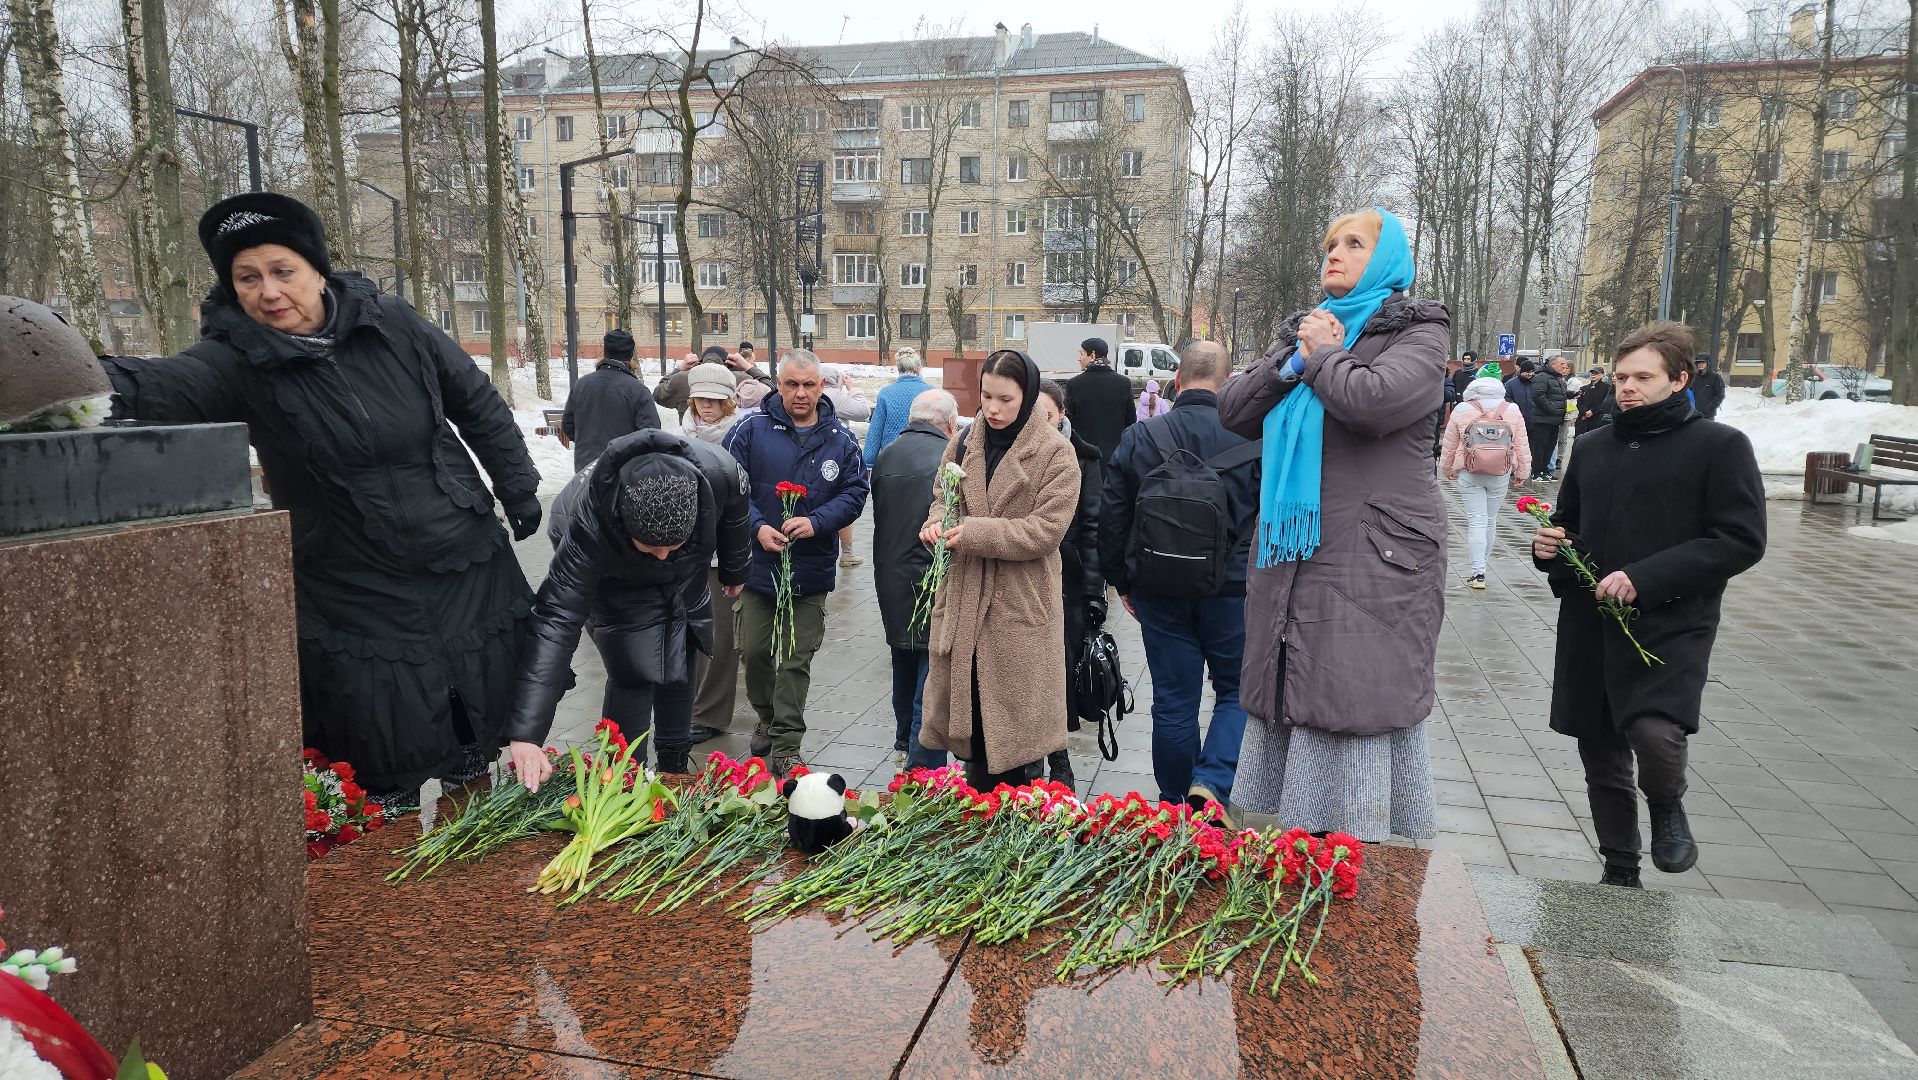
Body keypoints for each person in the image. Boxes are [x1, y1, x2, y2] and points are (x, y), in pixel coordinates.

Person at [99, 192, 541, 806]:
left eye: (283, 271)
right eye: (247, 278)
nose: (269, 292)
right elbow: (165, 386)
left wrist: (517, 485)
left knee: (473, 718)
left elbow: (475, 400)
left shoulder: (393, 323)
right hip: (350, 581)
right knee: (381, 741)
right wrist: (76, 381)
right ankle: (386, 841)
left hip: (461, 555)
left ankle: (473, 828)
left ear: (318, 270)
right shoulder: (234, 359)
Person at [1217, 206, 1443, 843]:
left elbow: (1375, 402)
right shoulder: (1308, 328)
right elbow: (1232, 409)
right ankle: (1302, 852)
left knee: (1352, 696)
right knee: (1298, 688)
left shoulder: (1419, 332)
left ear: (1388, 259)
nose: (1334, 254)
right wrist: (1293, 362)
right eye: (1330, 245)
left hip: (1373, 556)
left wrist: (1323, 356)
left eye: (1353, 244)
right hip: (1295, 551)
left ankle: (1353, 853)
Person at [1530, 322, 1765, 888]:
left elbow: (1740, 540)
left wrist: (1645, 577)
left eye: (1642, 377)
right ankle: (1619, 868)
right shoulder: (1592, 447)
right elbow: (1571, 524)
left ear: (1679, 380)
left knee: (1657, 732)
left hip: (1670, 621)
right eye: (1620, 377)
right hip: (1591, 622)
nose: (1627, 388)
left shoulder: (1720, 446)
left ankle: (1667, 805)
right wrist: (1551, 548)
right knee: (1600, 749)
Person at [506, 430, 751, 781]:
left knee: (683, 641)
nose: (662, 557)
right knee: (633, 662)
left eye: (671, 547)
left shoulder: (719, 472)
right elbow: (557, 620)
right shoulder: (587, 530)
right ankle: (623, 773)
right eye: (651, 548)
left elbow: (736, 513)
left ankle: (674, 765)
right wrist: (527, 734)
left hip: (685, 563)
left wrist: (734, 568)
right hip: (609, 561)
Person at [1101, 341, 1258, 814]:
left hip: (1159, 586)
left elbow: (1112, 516)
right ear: (1228, 384)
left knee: (1173, 700)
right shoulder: (1253, 437)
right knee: (1236, 692)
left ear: (1177, 380)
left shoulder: (1141, 436)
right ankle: (1211, 783)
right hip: (1232, 589)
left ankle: (1173, 806)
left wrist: (1122, 582)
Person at [917, 350, 1080, 790]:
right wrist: (937, 522)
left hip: (1018, 605)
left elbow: (1045, 531)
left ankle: (1013, 817)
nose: (992, 408)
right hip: (965, 598)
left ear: (1027, 396)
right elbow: (943, 496)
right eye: (986, 396)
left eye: (1005, 399)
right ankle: (979, 811)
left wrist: (971, 531)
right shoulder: (964, 442)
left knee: (1013, 740)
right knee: (970, 732)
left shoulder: (1056, 453)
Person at [723, 349, 870, 777]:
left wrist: (817, 522)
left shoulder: (841, 439)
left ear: (822, 386)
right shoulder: (750, 429)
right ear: (779, 385)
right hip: (758, 567)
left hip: (810, 570)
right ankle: (768, 717)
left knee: (794, 658)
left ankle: (787, 746)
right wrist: (756, 527)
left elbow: (855, 492)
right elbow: (729, 485)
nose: (801, 393)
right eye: (792, 384)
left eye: (809, 385)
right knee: (754, 653)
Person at [870, 388, 961, 774]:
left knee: (903, 661)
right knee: (932, 672)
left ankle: (902, 742)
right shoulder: (948, 460)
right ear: (951, 424)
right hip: (932, 577)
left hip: (890, 576)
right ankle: (923, 763)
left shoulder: (887, 455)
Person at [1033, 379, 1103, 792]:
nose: (1038, 423)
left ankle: (1059, 761)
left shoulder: (1084, 458)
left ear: (1061, 415)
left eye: (1046, 415)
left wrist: (1094, 591)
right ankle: (1027, 760)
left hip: (1067, 581)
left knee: (1058, 670)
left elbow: (1093, 527)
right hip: (1021, 582)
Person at [684, 362, 748, 746]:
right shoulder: (680, 433)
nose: (706, 406)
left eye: (714, 400)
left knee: (721, 637)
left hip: (724, 552)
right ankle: (685, 706)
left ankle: (710, 713)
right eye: (700, 399)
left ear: (728, 401)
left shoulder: (741, 434)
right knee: (686, 634)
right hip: (682, 552)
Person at [1440, 376, 1531, 588]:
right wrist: (1522, 471)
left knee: (1476, 520)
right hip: (1501, 472)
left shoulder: (1462, 409)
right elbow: (1521, 444)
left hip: (1470, 471)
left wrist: (1447, 468)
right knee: (1491, 520)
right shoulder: (1512, 409)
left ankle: (1477, 572)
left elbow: (1450, 443)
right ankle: (1483, 567)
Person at [561, 329, 661, 472]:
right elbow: (651, 434)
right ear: (631, 356)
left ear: (605, 351)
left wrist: (588, 444)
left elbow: (568, 425)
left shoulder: (581, 384)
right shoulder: (638, 390)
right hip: (622, 469)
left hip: (586, 468)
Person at [1063, 336, 1135, 463]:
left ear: (1092, 356)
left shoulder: (1074, 384)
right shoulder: (1123, 383)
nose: (1079, 358)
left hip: (1085, 458)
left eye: (1081, 353)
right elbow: (1131, 422)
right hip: (1115, 457)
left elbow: (1068, 423)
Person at [863, 346, 932, 467]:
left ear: (898, 368)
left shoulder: (886, 393)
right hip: (924, 461)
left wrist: (868, 463)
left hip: (891, 461)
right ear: (919, 367)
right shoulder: (932, 393)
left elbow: (875, 432)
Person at [1529, 355, 1572, 482]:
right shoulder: (1541, 376)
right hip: (1542, 419)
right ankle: (1536, 472)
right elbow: (1538, 395)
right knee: (1539, 447)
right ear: (1553, 365)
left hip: (1555, 420)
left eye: (1565, 364)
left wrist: (1571, 394)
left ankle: (1545, 470)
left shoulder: (1557, 378)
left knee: (1550, 447)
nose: (1565, 366)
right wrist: (1553, 410)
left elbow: (1557, 394)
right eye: (1562, 364)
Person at [1575, 368, 1614, 435]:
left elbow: (1605, 402)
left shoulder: (1607, 388)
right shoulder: (1584, 388)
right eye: (1592, 373)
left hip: (1597, 419)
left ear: (1602, 375)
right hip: (1583, 420)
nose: (1593, 375)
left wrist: (1592, 411)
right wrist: (1585, 412)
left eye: (1596, 373)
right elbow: (1579, 403)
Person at [1690, 353, 1727, 419]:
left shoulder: (1715, 377)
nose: (1700, 364)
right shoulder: (1695, 377)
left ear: (1708, 363)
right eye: (1698, 362)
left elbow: (1720, 395)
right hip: (1694, 413)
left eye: (1703, 362)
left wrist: (1710, 408)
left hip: (1708, 415)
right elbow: (1689, 392)